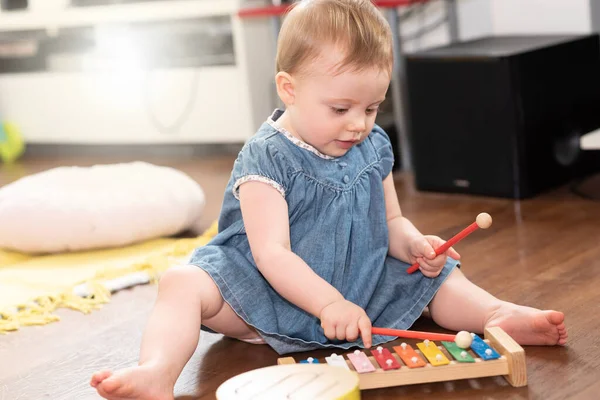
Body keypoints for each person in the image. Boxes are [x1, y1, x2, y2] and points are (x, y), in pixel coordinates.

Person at [91, 1, 567, 398]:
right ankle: (155, 371)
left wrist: (413, 244)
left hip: (355, 286)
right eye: (341, 109)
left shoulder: (373, 144)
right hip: (260, 293)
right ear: (289, 89)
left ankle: (494, 315)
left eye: (372, 107)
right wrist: (328, 304)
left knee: (439, 273)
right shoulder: (265, 157)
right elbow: (270, 253)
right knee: (181, 281)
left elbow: (392, 219)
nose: (358, 123)